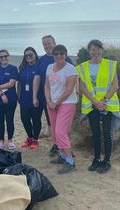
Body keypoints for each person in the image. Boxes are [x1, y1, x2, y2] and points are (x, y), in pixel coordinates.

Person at [76, 39, 120, 174]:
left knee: (107, 133)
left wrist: (104, 100)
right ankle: (96, 159)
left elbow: (115, 85)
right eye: (92, 49)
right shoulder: (83, 67)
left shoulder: (110, 65)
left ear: (102, 50)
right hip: (92, 105)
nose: (95, 51)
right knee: (95, 133)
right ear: (89, 51)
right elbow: (82, 87)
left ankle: (106, 161)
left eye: (97, 49)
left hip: (107, 104)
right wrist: (95, 102)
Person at [33, 35, 73, 157]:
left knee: (63, 127)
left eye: (49, 43)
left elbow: (71, 84)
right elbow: (40, 79)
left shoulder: (67, 61)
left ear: (54, 42)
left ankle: (67, 149)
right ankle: (57, 146)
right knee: (52, 125)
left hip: (65, 101)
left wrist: (59, 100)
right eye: (44, 44)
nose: (47, 46)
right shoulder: (43, 62)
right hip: (49, 98)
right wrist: (36, 96)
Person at [45, 44, 78, 174]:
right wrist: (49, 101)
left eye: (62, 53)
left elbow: (69, 90)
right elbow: (47, 86)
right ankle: (62, 156)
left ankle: (70, 162)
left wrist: (57, 102)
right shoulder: (49, 67)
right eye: (56, 54)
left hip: (67, 103)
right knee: (54, 131)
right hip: (52, 103)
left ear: (65, 54)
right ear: (53, 55)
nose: (59, 56)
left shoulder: (70, 69)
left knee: (60, 132)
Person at [0, 49, 18, 150]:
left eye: (5, 56)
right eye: (1, 57)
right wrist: (1, 94)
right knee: (0, 120)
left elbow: (11, 83)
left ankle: (10, 140)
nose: (3, 58)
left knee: (10, 120)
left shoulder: (13, 69)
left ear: (8, 56)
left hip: (11, 99)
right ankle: (1, 140)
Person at [18, 47, 42, 150]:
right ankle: (30, 137)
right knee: (24, 119)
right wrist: (18, 96)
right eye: (26, 55)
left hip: (37, 97)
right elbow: (19, 83)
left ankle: (35, 140)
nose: (28, 57)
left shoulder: (39, 66)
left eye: (30, 55)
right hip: (24, 98)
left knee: (36, 119)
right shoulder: (23, 67)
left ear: (35, 55)